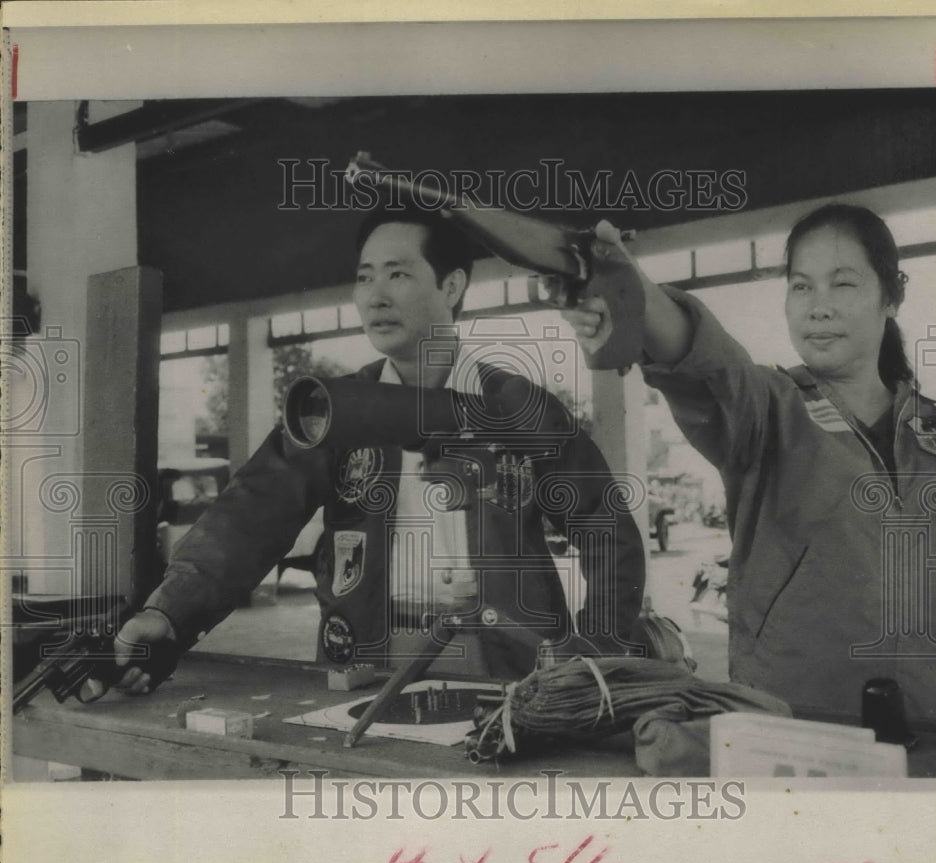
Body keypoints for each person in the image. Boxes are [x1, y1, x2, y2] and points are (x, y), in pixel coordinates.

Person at [89, 207, 645, 698]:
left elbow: (606, 529)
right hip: (363, 658)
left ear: (451, 286)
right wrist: (168, 610)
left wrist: (593, 651)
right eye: (364, 278)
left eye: (398, 274)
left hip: (504, 659)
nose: (375, 296)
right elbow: (250, 513)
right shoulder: (332, 411)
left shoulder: (519, 407)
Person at [564, 204, 936, 731]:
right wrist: (627, 287)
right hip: (794, 725)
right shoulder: (769, 407)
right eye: (801, 287)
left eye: (842, 284)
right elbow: (708, 360)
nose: (818, 308)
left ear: (891, 296)